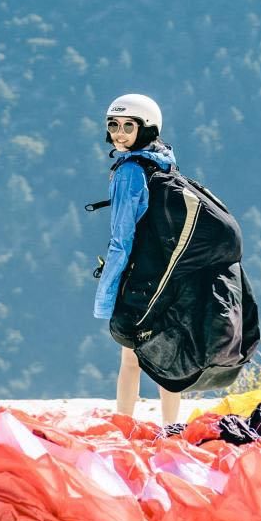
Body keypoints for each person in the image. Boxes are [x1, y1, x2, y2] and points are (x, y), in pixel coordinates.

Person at [93, 93, 184, 426]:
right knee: (166, 359)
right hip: (169, 273)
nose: (118, 133)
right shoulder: (165, 161)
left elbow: (121, 239)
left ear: (146, 128)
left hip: (140, 278)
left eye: (128, 126)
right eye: (113, 125)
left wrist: (107, 294)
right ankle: (171, 427)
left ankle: (123, 426)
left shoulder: (130, 171)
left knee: (130, 360)